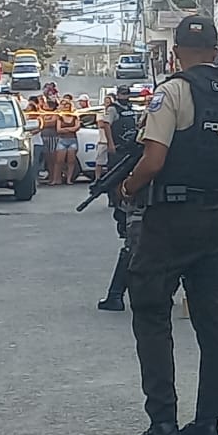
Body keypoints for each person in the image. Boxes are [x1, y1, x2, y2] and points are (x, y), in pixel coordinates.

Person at [112, 17, 218, 435]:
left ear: (175, 53)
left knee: (152, 314)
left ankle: (163, 426)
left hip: (169, 219)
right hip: (213, 217)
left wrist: (127, 187)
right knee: (212, 320)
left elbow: (153, 160)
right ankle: (208, 422)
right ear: (217, 50)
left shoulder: (172, 91)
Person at [98, 86, 145, 313]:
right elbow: (106, 124)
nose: (126, 98)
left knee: (133, 246)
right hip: (123, 154)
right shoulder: (114, 110)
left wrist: (127, 191)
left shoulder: (132, 111)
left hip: (144, 198)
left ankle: (116, 295)